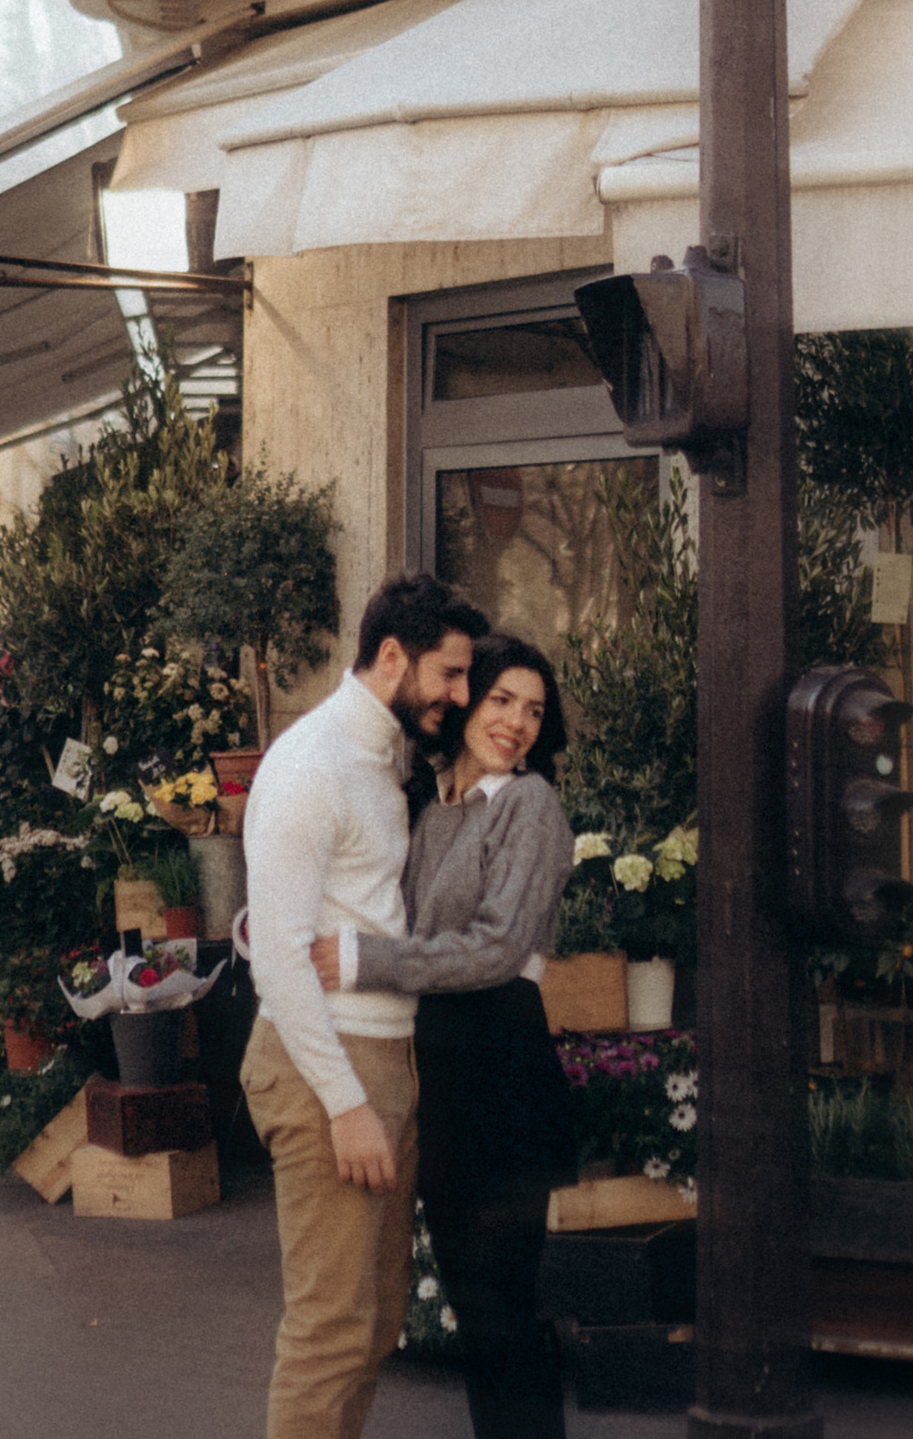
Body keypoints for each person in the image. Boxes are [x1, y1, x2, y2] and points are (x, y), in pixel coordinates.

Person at [309, 633, 576, 1439]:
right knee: (475, 1308)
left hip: (503, 1071)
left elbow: (497, 948)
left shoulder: (530, 806)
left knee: (502, 1314)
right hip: (442, 1073)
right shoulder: (428, 805)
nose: (517, 723)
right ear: (464, 703)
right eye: (501, 700)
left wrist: (367, 960)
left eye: (534, 711)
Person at [239, 572, 484, 1439]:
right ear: (392, 656)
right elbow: (280, 958)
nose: (462, 695)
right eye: (450, 674)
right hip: (328, 1067)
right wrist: (345, 1105)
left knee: (374, 1324)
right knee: (331, 1333)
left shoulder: (381, 758)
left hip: (383, 1056)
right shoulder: (312, 764)